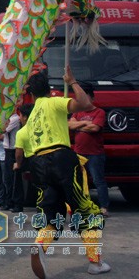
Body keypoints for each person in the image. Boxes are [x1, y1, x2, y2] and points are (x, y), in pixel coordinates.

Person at [25, 68, 110, 278]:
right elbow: (85, 104)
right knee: (85, 210)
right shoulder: (53, 102)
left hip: (38, 164)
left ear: (31, 93)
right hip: (61, 160)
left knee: (51, 216)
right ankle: (95, 263)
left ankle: (40, 245)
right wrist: (72, 82)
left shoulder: (32, 115)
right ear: (48, 90)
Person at [68, 86, 109, 217]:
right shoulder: (77, 112)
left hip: (95, 154)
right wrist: (85, 124)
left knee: (98, 181)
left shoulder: (99, 112)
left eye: (85, 98)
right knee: (79, 181)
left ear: (92, 98)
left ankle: (104, 207)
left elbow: (95, 128)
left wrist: (79, 125)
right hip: (78, 152)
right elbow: (69, 125)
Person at [12, 103, 35, 212]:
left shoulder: (21, 132)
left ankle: (18, 204)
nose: (19, 118)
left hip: (30, 159)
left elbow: (19, 154)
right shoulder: (40, 128)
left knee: (17, 172)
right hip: (43, 158)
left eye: (20, 115)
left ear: (25, 117)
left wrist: (18, 164)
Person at [1, 112, 21, 211]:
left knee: (13, 179)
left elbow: (3, 130)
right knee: (7, 179)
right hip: (7, 150)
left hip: (13, 150)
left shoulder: (14, 119)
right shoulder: (7, 118)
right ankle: (8, 202)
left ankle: (15, 203)